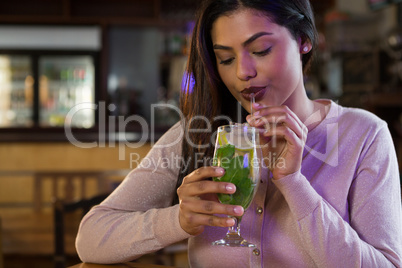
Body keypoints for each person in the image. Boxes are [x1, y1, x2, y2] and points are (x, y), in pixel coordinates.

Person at [75, 0, 402, 267]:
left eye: (260, 50)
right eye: (225, 59)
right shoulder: (199, 132)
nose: (242, 72)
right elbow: (91, 239)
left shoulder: (363, 135)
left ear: (304, 41)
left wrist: (292, 182)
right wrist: (180, 219)